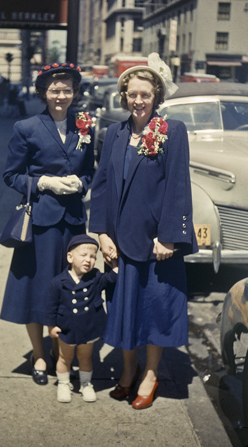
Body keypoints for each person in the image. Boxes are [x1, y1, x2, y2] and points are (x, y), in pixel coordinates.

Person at [89, 53, 198, 410]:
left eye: (145, 95)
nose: (138, 101)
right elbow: (102, 185)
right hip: (119, 243)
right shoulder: (116, 133)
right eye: (132, 94)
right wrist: (102, 234)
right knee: (123, 312)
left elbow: (179, 185)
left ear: (157, 97)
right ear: (124, 96)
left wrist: (169, 236)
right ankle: (128, 370)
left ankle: (150, 375)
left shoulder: (172, 131)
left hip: (156, 245)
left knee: (154, 313)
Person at [0, 62, 95, 386]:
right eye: (55, 89)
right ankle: (40, 355)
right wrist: (44, 183)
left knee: (68, 289)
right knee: (36, 290)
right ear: (43, 92)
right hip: (40, 223)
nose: (61, 95)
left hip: (72, 223)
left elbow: (90, 171)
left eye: (67, 89)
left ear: (75, 92)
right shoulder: (26, 127)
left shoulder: (85, 127)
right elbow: (11, 175)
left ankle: (61, 356)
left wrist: (81, 183)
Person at [47, 234, 118, 403]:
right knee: (64, 358)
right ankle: (64, 384)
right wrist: (51, 326)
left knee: (85, 358)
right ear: (70, 257)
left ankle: (86, 384)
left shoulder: (95, 277)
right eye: (84, 255)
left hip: (89, 326)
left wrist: (115, 266)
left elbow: (110, 280)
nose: (88, 260)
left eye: (93, 257)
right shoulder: (58, 282)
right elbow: (51, 307)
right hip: (67, 327)